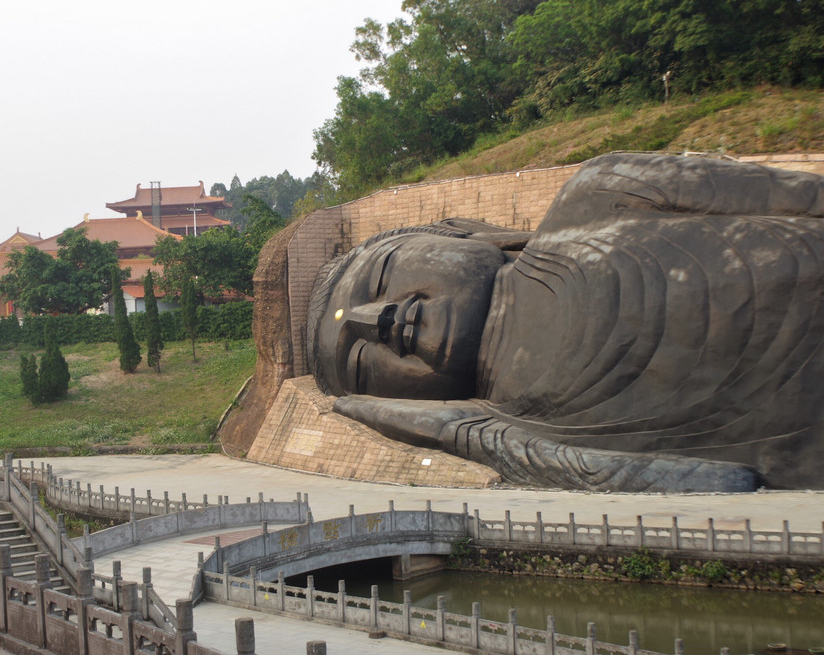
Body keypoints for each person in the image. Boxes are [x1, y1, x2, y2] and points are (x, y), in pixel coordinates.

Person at [308, 152, 824, 493]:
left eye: (379, 277)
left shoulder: (599, 195)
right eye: (359, 362)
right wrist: (461, 434)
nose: (377, 321)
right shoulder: (528, 432)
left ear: (457, 235)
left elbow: (804, 199)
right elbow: (723, 481)